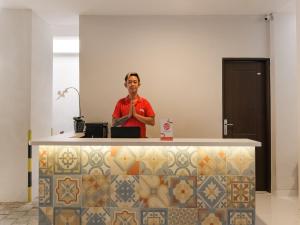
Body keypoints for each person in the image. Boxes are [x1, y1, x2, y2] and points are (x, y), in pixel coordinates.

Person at [112, 72, 155, 138]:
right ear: (125, 85)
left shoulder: (145, 102)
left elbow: (152, 122)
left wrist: (136, 115)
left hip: (141, 141)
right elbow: (114, 123)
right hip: (124, 141)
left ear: (139, 84)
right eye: (129, 82)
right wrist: (128, 116)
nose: (132, 84)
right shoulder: (120, 102)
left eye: (135, 82)